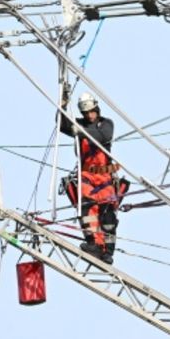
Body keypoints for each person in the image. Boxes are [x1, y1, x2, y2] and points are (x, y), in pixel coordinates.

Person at [60, 89, 126, 264]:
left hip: (104, 176)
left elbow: (102, 136)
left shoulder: (105, 124)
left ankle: (107, 251)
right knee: (87, 209)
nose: (89, 115)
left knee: (107, 215)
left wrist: (79, 131)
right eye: (86, 113)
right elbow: (62, 124)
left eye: (91, 112)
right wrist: (63, 104)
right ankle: (93, 244)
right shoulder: (80, 123)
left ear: (97, 109)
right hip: (87, 175)